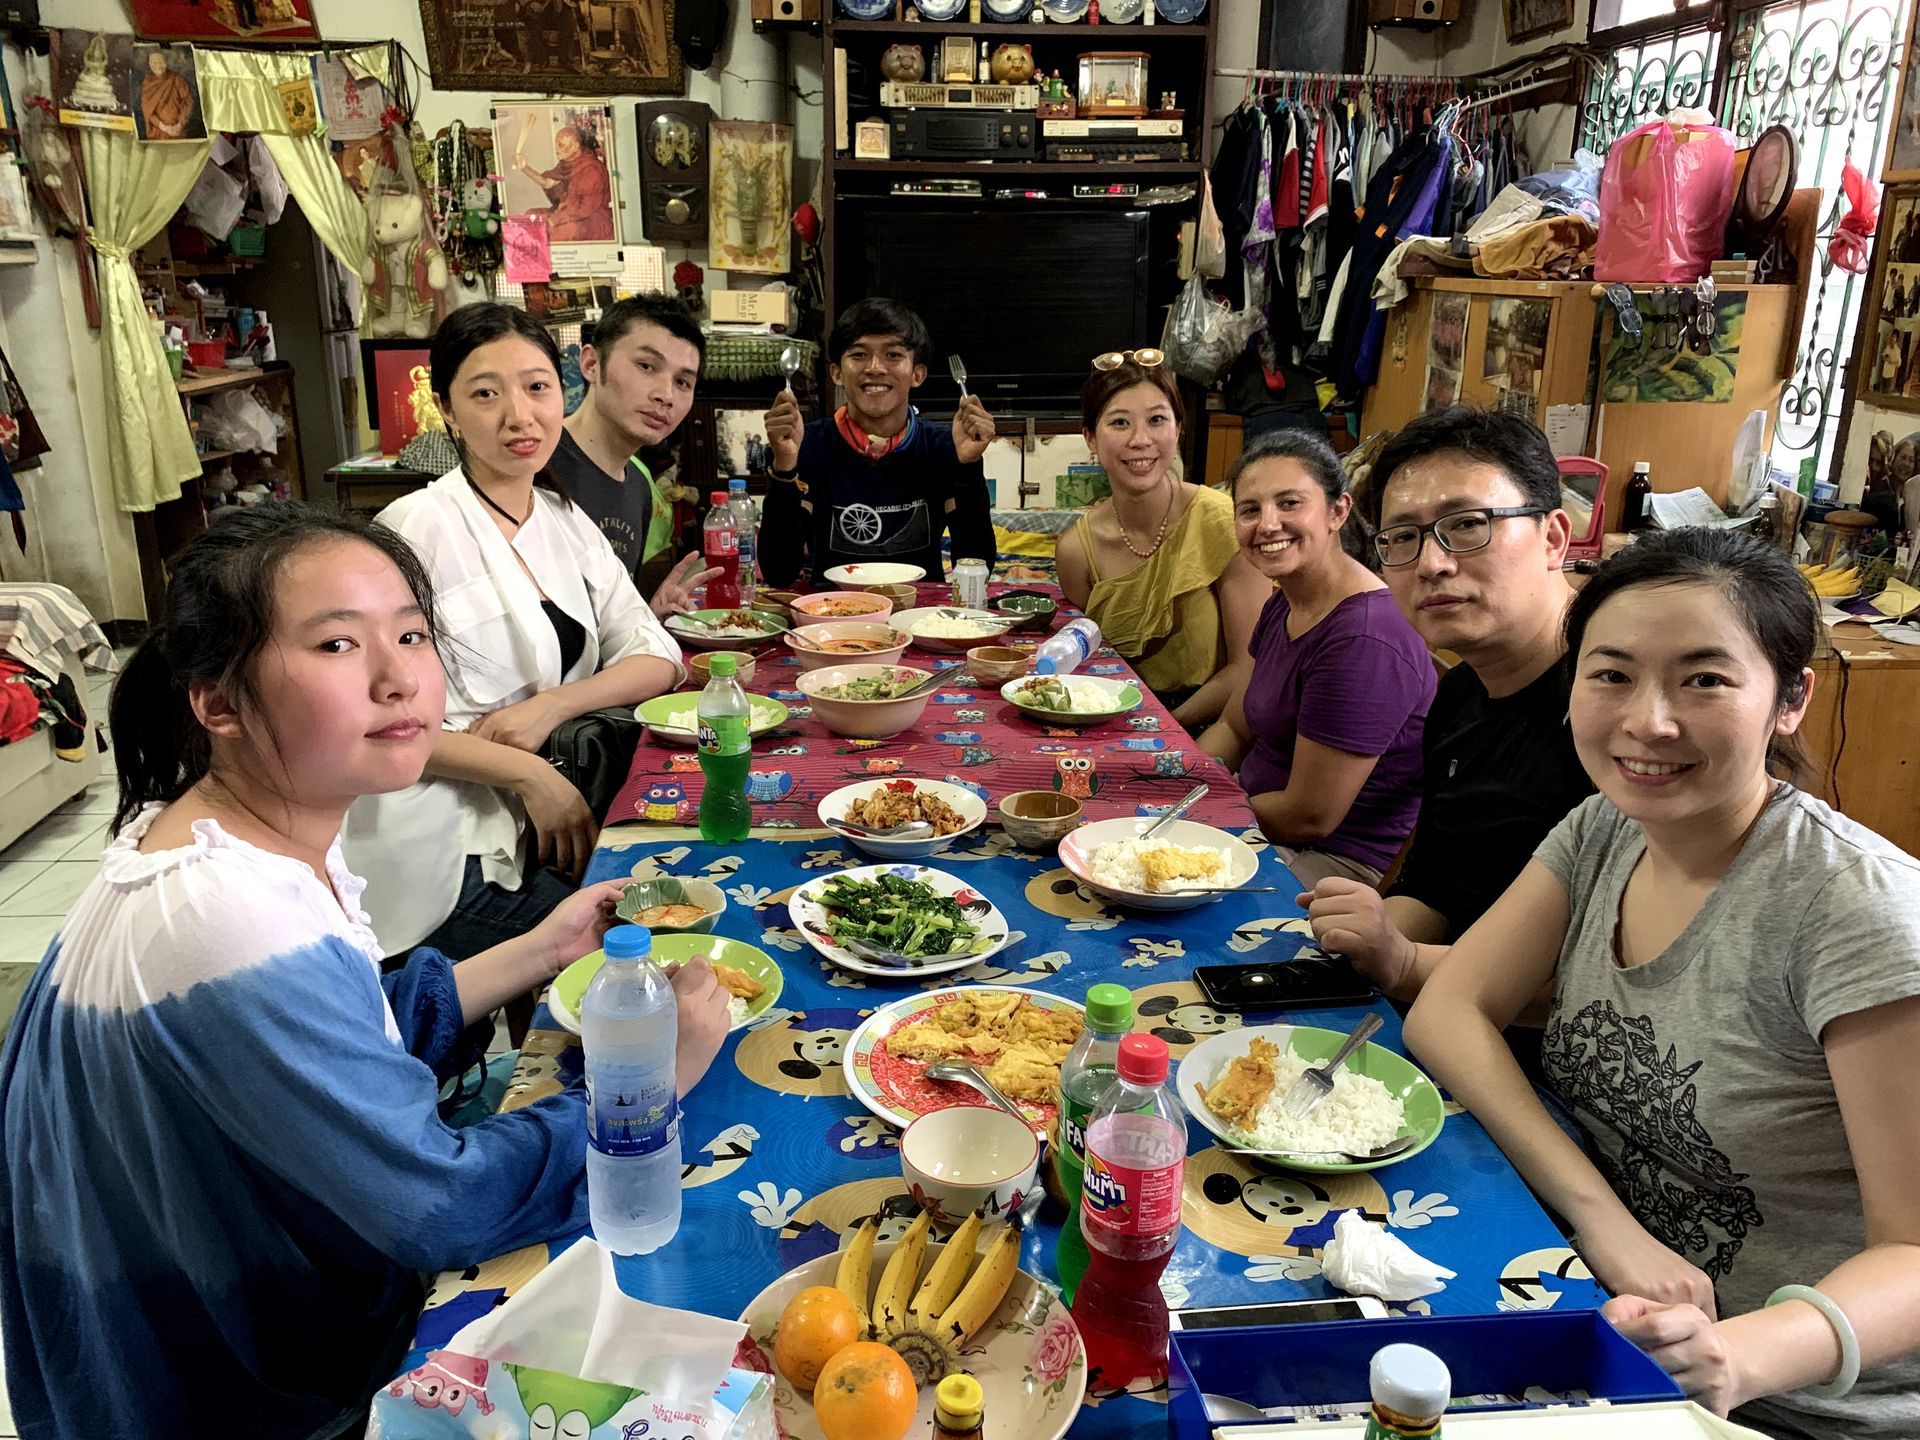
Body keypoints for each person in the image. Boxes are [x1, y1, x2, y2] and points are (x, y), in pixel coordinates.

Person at [0, 503, 731, 1440]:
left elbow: (342, 1038)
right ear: (217, 704)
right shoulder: (224, 919)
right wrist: (655, 1083)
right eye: (338, 645)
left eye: (412, 635)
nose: (400, 678)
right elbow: (438, 1206)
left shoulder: (217, 838)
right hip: (236, 1386)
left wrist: (544, 949)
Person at [1405, 528, 1920, 1438]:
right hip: (1594, 1304)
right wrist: (1604, 1222)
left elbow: (1913, 1250)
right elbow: (1449, 1010)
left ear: (1791, 699)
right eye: (1612, 674)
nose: (1649, 722)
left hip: (1786, 1403)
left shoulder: (1858, 913)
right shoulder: (1603, 829)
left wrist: (1739, 1354)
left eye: (1704, 680)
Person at [343, 303, 683, 970]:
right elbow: (375, 720)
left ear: (564, 392)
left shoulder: (562, 519)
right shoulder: (411, 531)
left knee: (673, 891)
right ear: (447, 410)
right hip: (436, 844)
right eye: (486, 394)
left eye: (536, 387)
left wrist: (550, 707)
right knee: (629, 947)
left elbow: (657, 654)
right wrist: (529, 775)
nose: (519, 416)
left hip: (536, 821)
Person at [1295, 408, 1592, 1019]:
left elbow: (1616, 989)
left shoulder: (1618, 717)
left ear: (1553, 538)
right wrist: (1360, 944)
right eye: (1403, 538)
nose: (1432, 563)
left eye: (1467, 525)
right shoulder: (1457, 694)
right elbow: (1431, 886)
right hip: (1443, 1009)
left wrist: (1402, 962)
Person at [1199, 431, 1434, 885]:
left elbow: (1309, 817)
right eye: (1250, 510)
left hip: (1331, 860)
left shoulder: (1365, 638)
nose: (1268, 524)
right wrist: (1185, 784)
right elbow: (1234, 727)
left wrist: (1203, 811)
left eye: (1289, 503)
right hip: (1252, 816)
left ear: (1338, 511)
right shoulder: (1284, 602)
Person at [1055, 352, 1271, 727]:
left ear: (1178, 429)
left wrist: (1167, 727)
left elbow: (1248, 668)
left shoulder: (1225, 522)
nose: (1141, 440)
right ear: (1090, 438)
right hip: (1109, 722)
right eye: (1119, 422)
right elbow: (1089, 661)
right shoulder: (1076, 551)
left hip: (1216, 724)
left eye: (1156, 420)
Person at [759, 298, 997, 584]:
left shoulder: (942, 446)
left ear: (917, 374)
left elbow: (978, 566)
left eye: (893, 355)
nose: (875, 367)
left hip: (921, 605)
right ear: (837, 372)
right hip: (830, 606)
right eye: (859, 355)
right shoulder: (808, 444)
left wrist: (969, 465)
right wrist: (785, 465)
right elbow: (779, 574)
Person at [552, 293, 718, 607]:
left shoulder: (639, 486)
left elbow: (606, 620)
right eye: (646, 366)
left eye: (682, 382)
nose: (666, 395)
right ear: (591, 364)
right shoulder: (536, 467)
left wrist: (648, 617)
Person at [520, 125, 614, 243]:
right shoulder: (566, 164)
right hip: (566, 213)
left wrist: (555, 219)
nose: (556, 149)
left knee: (562, 233)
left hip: (592, 220)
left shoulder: (592, 169)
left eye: (561, 145)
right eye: (556, 144)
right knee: (530, 215)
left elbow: (585, 208)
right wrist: (524, 167)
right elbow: (546, 183)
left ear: (575, 146)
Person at [139, 49, 194, 140]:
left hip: (178, 131)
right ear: (149, 64)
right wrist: (163, 127)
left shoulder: (176, 79)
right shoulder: (147, 83)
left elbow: (188, 102)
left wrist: (180, 124)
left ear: (166, 63)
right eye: (154, 63)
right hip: (158, 132)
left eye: (161, 62)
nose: (158, 66)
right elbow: (147, 111)